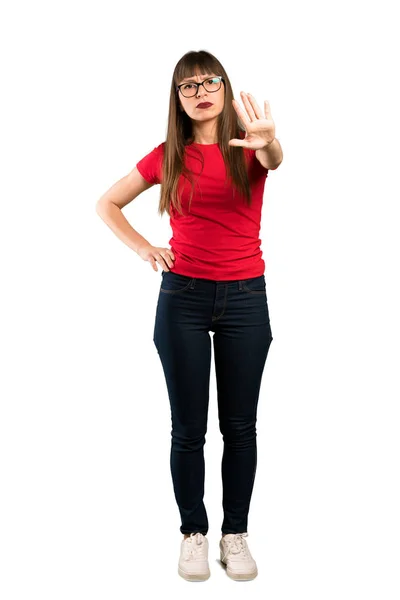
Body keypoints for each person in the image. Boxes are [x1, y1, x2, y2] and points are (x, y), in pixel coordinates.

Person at [96, 49, 283, 582]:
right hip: (182, 298)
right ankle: (193, 533)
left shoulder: (248, 145)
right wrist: (144, 248)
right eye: (188, 86)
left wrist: (268, 141)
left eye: (210, 81)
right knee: (187, 430)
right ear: (177, 100)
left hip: (247, 298)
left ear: (224, 89)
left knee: (241, 427)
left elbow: (274, 161)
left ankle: (235, 534)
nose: (200, 91)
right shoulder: (166, 156)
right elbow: (106, 203)